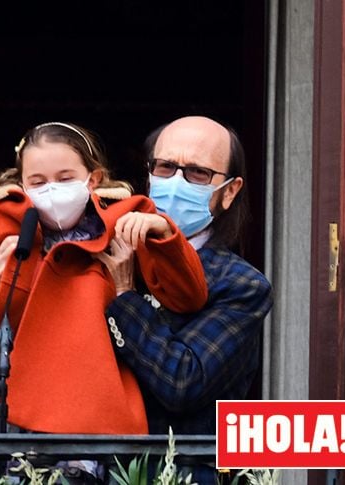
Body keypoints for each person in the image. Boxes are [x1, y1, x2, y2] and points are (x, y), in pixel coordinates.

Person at [0, 121, 208, 435]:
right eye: (38, 181)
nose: (51, 189)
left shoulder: (123, 223)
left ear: (93, 180)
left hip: (100, 407)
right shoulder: (9, 228)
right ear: (21, 186)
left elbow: (188, 295)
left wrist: (165, 235)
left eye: (65, 178)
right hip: (23, 407)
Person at [97, 116, 273, 483]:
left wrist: (126, 295)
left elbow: (181, 382)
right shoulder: (111, 250)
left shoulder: (241, 285)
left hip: (180, 474)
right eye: (165, 167)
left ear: (229, 191)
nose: (175, 183)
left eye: (197, 173)